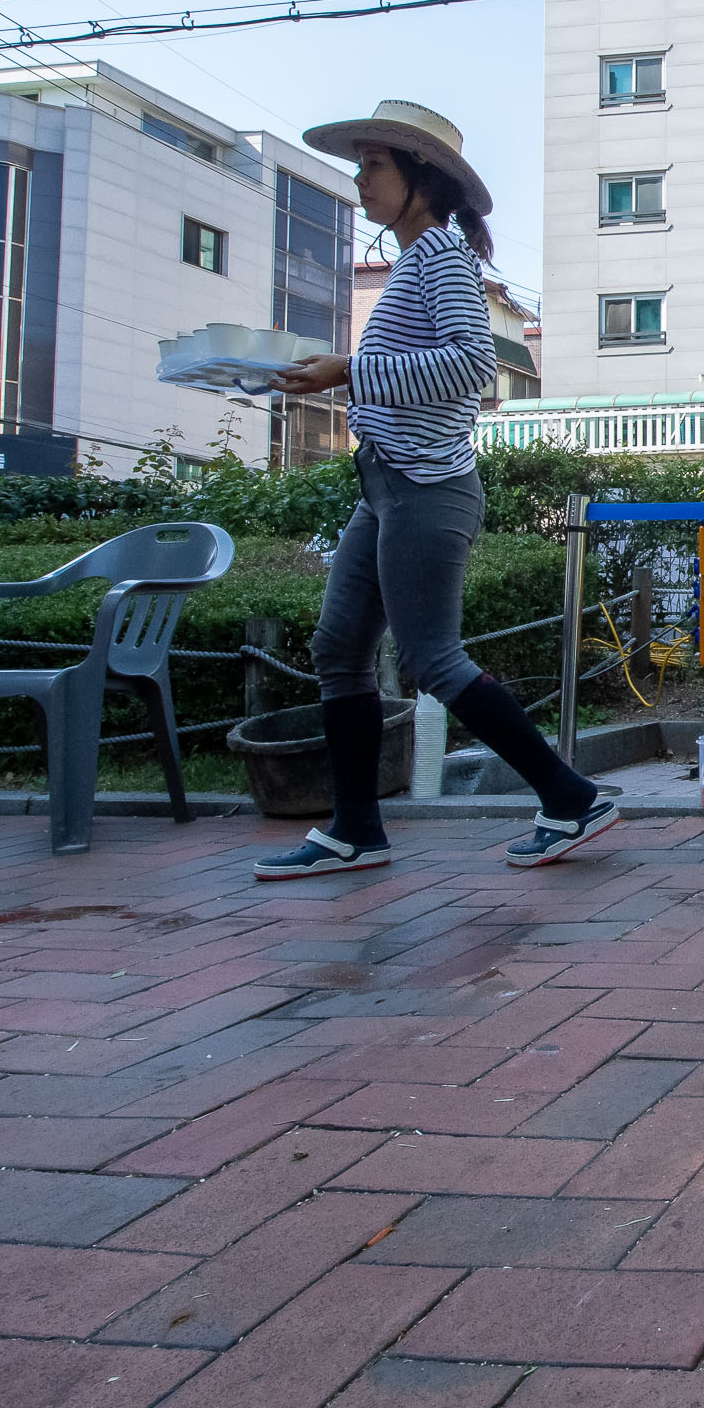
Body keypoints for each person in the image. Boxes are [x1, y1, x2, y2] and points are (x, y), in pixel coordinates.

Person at [252, 101, 614, 877]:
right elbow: (418, 376)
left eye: (374, 165)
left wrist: (345, 369)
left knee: (433, 659)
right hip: (385, 486)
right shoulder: (419, 263)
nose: (359, 179)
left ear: (422, 178)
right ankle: (354, 829)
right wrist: (315, 375)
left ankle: (570, 797)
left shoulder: (443, 260)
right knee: (338, 650)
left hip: (426, 489)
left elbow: (469, 368)